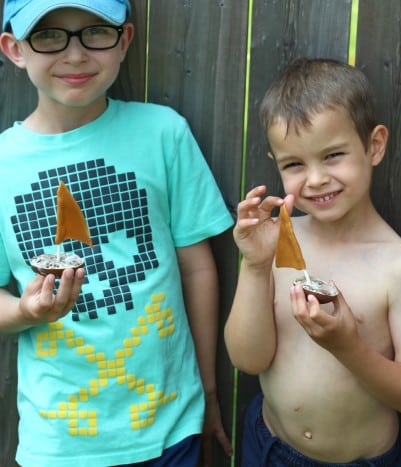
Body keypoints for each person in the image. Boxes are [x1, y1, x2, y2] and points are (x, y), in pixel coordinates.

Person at [0, 1, 233, 465]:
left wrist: (208, 390)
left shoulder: (163, 133)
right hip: (59, 443)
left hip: (171, 428)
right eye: (48, 35)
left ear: (124, 40)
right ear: (14, 49)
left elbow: (197, 269)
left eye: (95, 32)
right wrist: (27, 311)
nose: (75, 54)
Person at [225, 57, 401, 466]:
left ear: (374, 146)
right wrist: (254, 267)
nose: (317, 178)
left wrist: (348, 347)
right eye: (295, 164)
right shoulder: (277, 244)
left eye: (333, 155)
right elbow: (247, 360)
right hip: (269, 446)